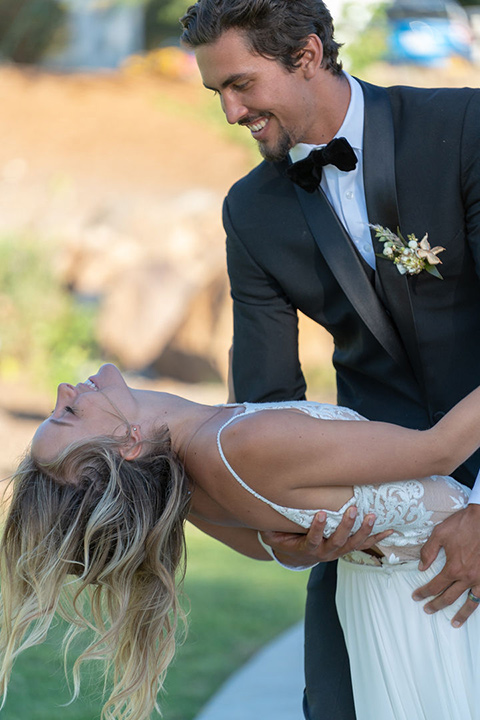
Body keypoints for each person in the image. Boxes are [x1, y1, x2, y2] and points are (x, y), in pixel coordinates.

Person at [179, 1, 480, 717]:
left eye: (242, 85)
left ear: (308, 56)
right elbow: (264, 399)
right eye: (216, 92)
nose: (230, 112)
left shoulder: (464, 130)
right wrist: (291, 529)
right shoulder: (250, 211)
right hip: (368, 520)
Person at [1, 364, 480, 720]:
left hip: (397, 598)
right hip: (454, 585)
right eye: (67, 414)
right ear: (128, 445)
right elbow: (440, 448)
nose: (66, 391)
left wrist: (293, 549)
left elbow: (262, 543)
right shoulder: (240, 444)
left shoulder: (185, 477)